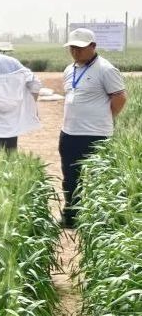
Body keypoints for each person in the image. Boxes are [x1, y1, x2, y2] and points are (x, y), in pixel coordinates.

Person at [58, 28, 127, 228]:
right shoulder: (69, 69)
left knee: (98, 177)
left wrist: (105, 118)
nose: (75, 51)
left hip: (96, 134)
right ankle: (71, 216)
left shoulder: (106, 69)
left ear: (93, 46)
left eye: (80, 48)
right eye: (72, 47)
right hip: (69, 132)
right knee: (70, 177)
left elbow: (120, 98)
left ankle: (99, 221)